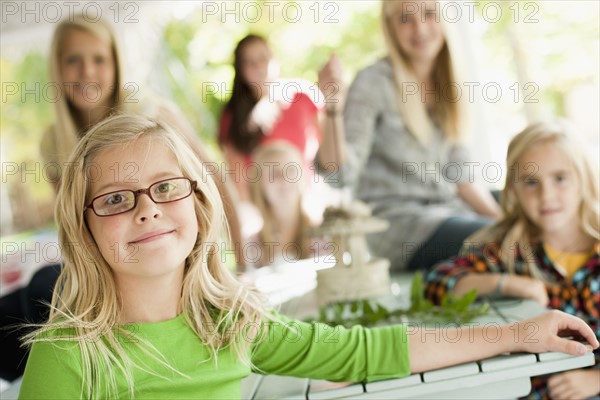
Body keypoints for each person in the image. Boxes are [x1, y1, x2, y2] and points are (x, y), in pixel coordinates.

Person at [17, 114, 599, 398]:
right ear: (84, 228)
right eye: (116, 199)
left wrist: (520, 333)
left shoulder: (231, 323)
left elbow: (364, 351)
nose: (147, 210)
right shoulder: (68, 356)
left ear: (198, 203)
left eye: (166, 188)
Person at [0, 14, 241, 382]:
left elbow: (214, 182)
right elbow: (76, 236)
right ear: (57, 68)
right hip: (106, 276)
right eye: (73, 60)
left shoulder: (153, 115)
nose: (87, 72)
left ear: (116, 63)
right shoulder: (55, 143)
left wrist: (242, 265)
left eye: (99, 59)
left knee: (41, 294)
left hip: (165, 270)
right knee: (35, 294)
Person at [316, 0, 502, 271]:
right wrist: (332, 110)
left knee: (527, 201)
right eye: (405, 19)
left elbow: (462, 178)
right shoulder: (373, 82)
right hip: (402, 226)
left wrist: (508, 220)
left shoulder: (448, 82)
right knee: (503, 237)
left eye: (429, 14)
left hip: (448, 208)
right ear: (390, 27)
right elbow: (339, 175)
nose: (420, 28)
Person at [424, 121, 600, 399]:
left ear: (584, 179)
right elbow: (437, 283)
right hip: (527, 391)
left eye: (560, 178)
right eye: (531, 182)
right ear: (514, 189)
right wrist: (508, 283)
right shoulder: (509, 248)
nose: (546, 195)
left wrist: (595, 379)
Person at [219, 34, 340, 202]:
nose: (258, 66)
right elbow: (237, 176)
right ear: (240, 69)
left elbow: (331, 157)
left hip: (309, 198)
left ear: (274, 59)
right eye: (249, 62)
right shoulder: (233, 115)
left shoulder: (303, 95)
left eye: (263, 58)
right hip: (265, 208)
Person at [246, 140, 317, 267]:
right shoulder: (252, 245)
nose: (285, 180)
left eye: (291, 171)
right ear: (260, 185)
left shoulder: (322, 236)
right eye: (275, 174)